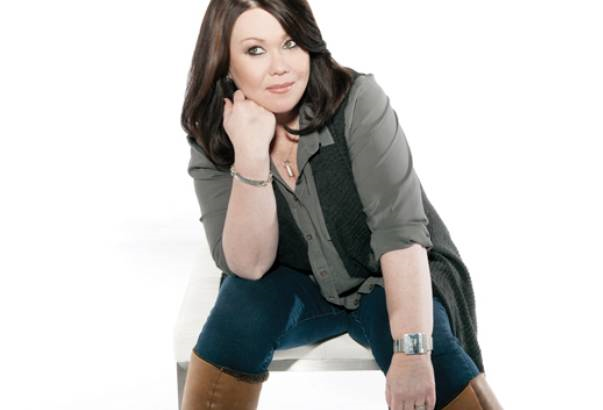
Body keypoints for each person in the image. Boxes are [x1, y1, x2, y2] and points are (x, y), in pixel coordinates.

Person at [180, 1, 503, 409]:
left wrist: (412, 352)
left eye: (290, 43)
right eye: (255, 50)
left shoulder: (357, 101)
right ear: (226, 63)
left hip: (385, 275)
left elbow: (399, 235)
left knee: (431, 359)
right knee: (237, 317)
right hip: (293, 281)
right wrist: (250, 155)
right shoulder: (213, 135)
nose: (280, 67)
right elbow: (251, 265)